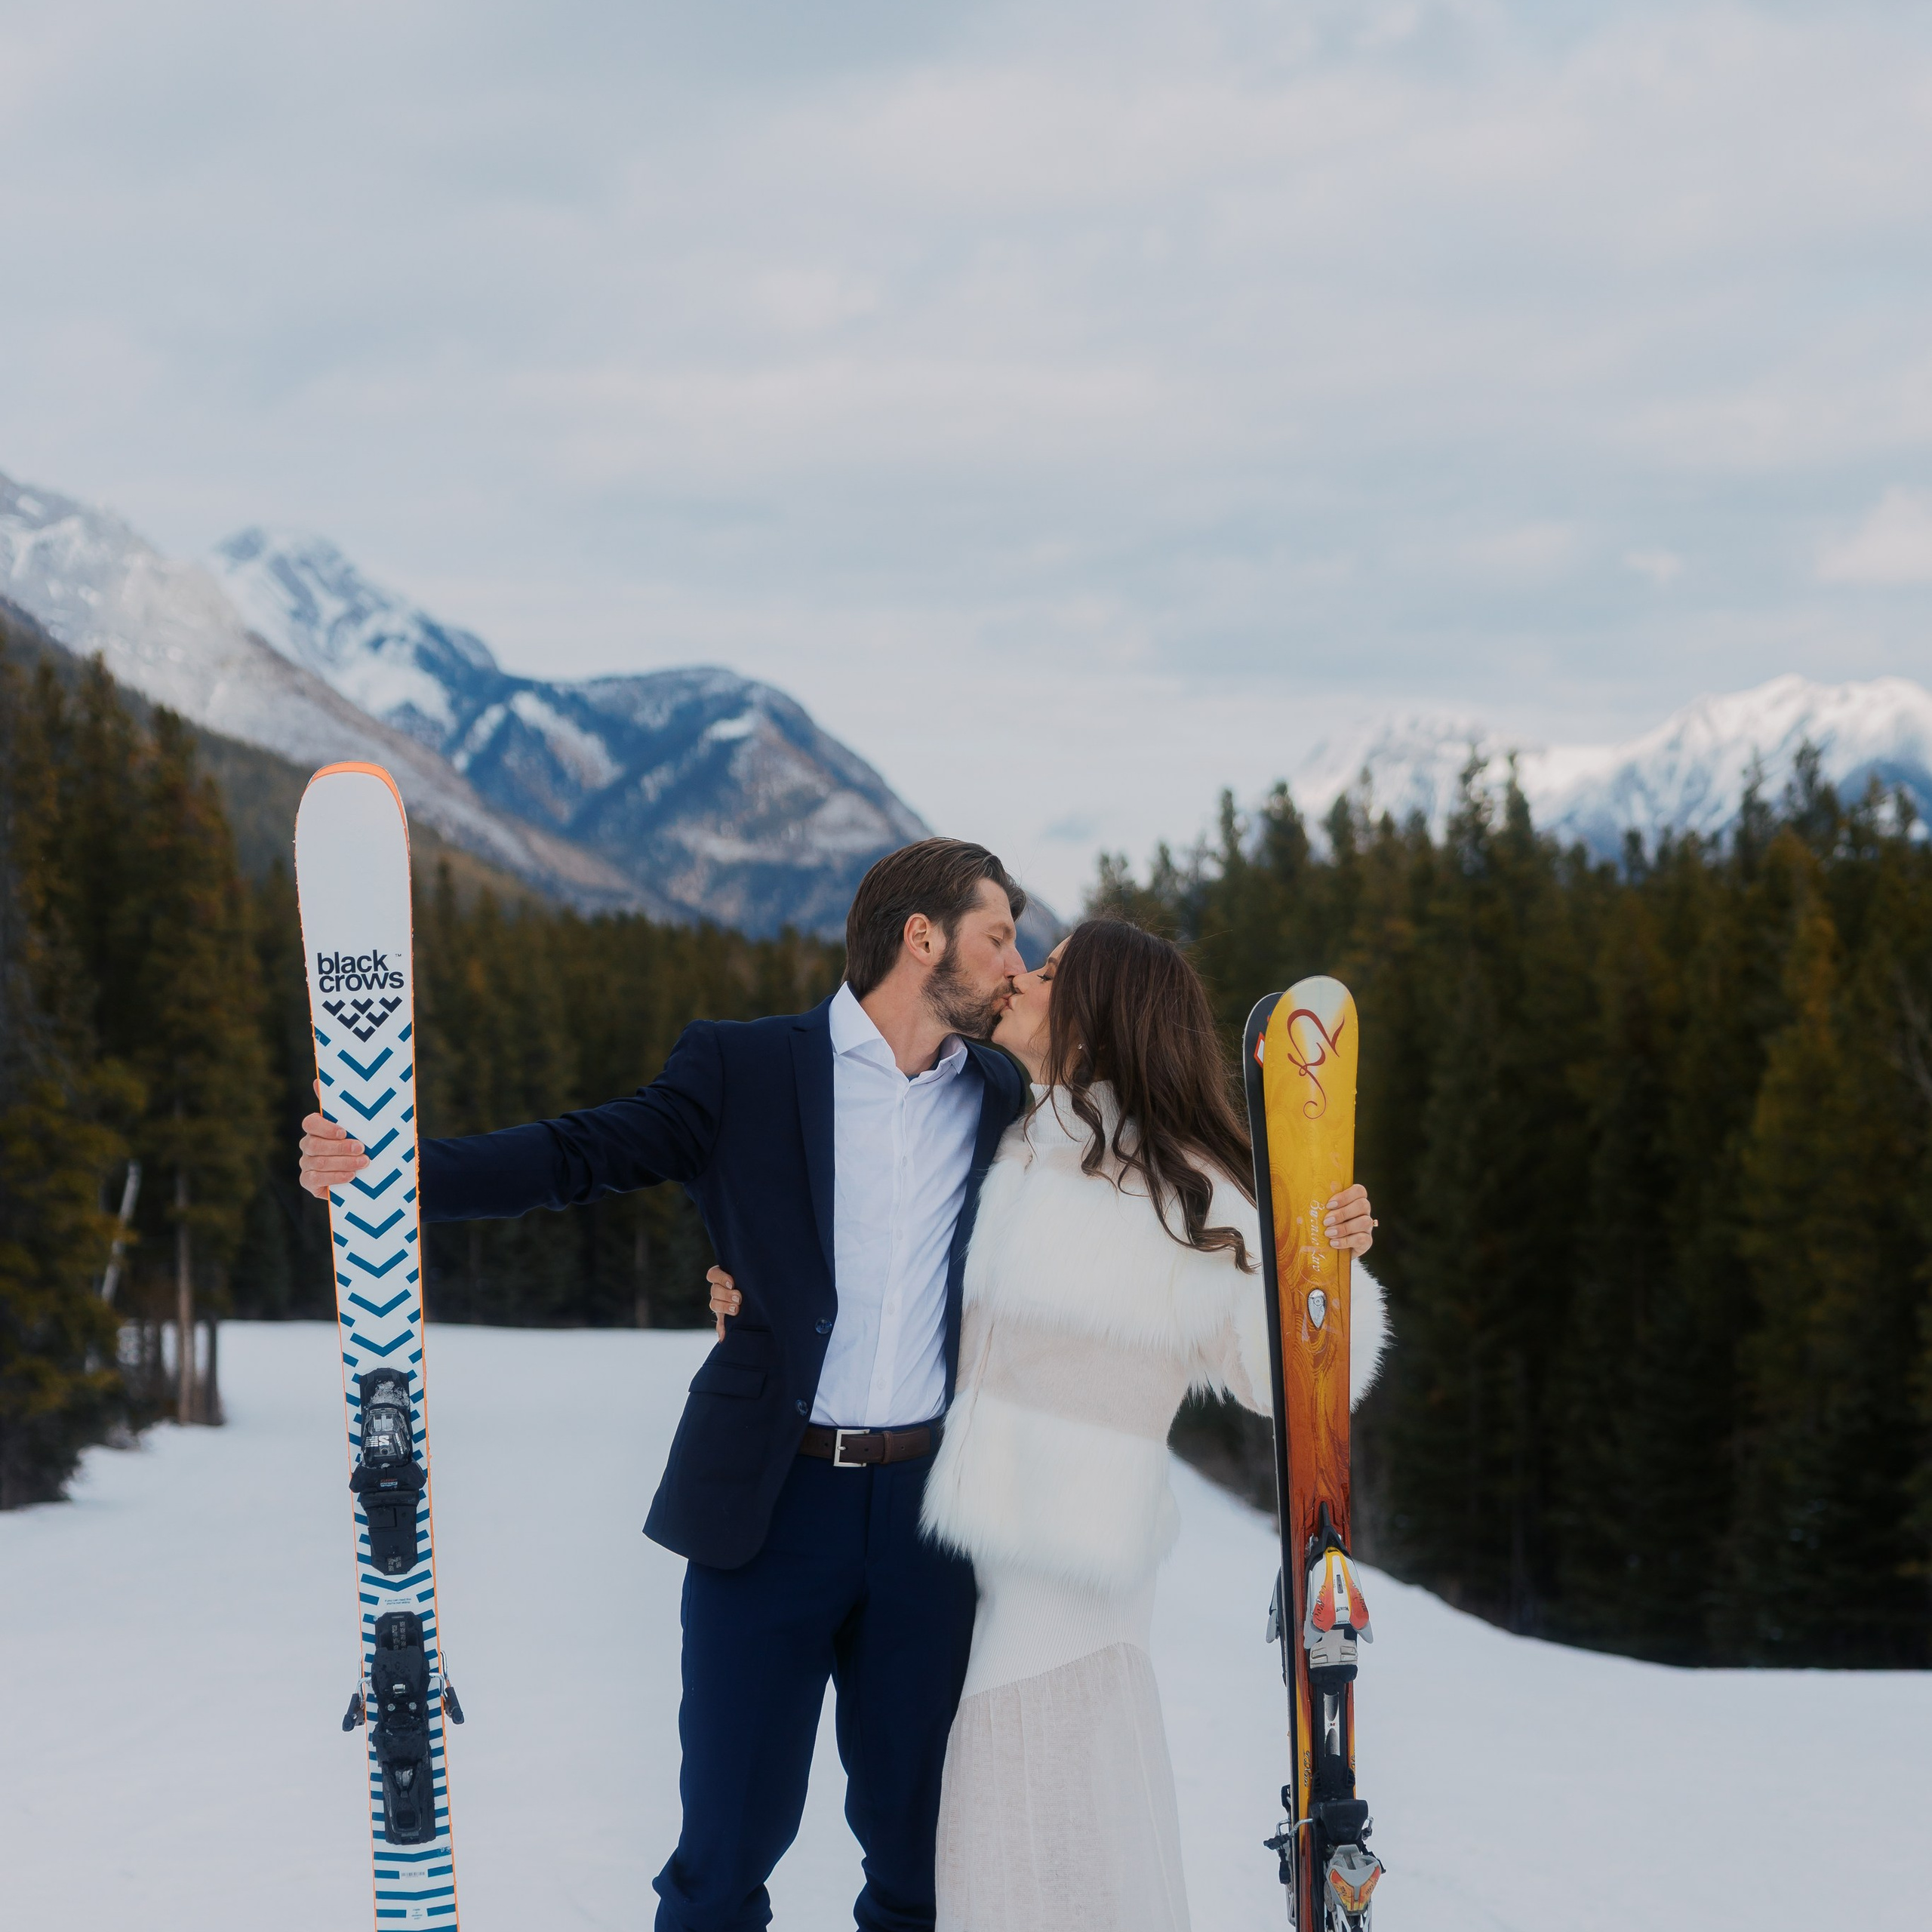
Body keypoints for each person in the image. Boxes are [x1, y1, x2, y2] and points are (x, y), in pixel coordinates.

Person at [298, 838, 1033, 1932]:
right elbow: (579, 1153)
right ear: (922, 938)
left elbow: (1129, 1178)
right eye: (999, 935)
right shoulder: (745, 1067)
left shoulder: (999, 1094)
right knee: (724, 1851)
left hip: (930, 1521)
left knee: (925, 1855)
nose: (1017, 964)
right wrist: (395, 1171)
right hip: (769, 1509)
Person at [709, 918, 1383, 1932]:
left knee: (1060, 1857)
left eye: (1054, 972)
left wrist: (1329, 1259)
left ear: (1103, 1016)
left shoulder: (1181, 1182)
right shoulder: (1013, 1140)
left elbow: (1290, 1377)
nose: (1020, 976)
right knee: (982, 1866)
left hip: (1070, 1590)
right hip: (951, 1575)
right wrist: (746, 1288)